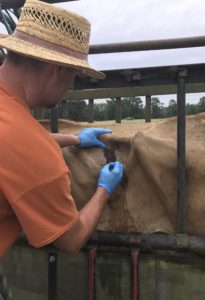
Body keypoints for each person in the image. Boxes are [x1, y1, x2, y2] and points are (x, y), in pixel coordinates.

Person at [0, 0, 124, 259]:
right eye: (75, 75)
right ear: (57, 70)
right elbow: (72, 238)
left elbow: (13, 146)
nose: (72, 86)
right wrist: (104, 189)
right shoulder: (36, 154)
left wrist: (75, 140)